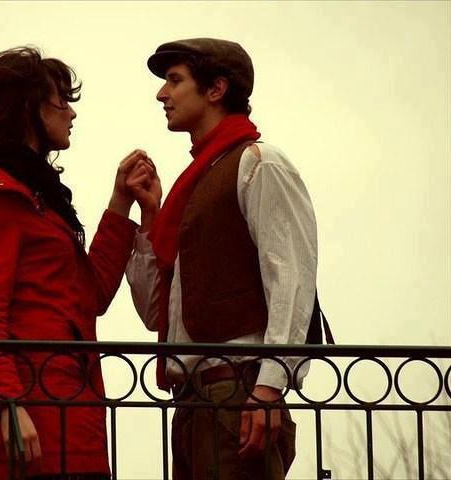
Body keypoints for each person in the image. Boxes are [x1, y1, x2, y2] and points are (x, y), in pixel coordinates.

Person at [0, 46, 154, 479]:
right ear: (29, 108)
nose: (71, 112)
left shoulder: (39, 199)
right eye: (61, 101)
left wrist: (120, 203)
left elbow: (89, 296)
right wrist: (8, 404)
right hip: (35, 416)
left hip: (74, 412)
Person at [126, 38, 318, 479]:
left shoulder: (260, 163)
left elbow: (291, 277)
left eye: (175, 80)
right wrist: (151, 216)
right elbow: (156, 313)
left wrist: (269, 387)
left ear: (215, 89)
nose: (162, 94)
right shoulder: (194, 187)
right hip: (195, 404)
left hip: (238, 394)